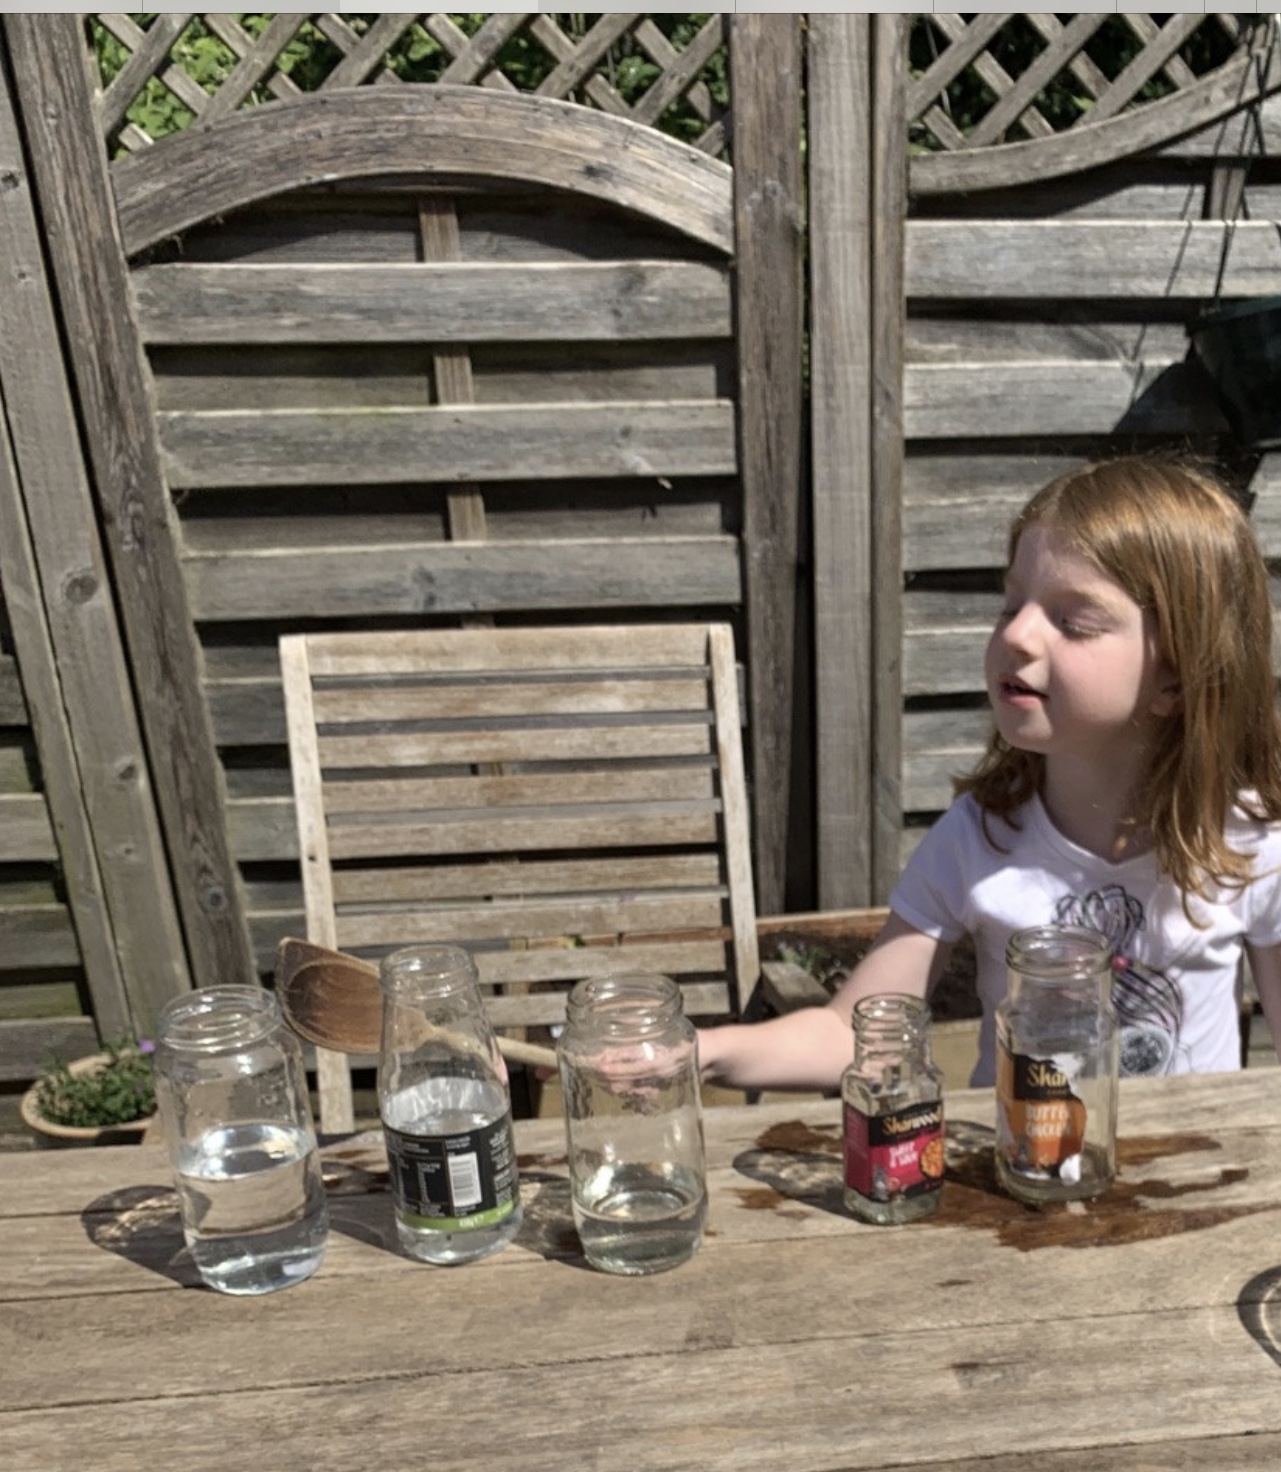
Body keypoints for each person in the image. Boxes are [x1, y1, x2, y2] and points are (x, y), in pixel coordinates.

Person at [700, 453, 1281, 1092]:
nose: (1020, 635)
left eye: (1073, 621)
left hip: (1190, 1178)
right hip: (1011, 1177)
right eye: (1011, 605)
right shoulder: (981, 836)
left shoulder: (1249, 844)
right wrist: (698, 1051)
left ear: (1174, 676)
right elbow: (851, 1034)